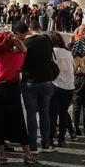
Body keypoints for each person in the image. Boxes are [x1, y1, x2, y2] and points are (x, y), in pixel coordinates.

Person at [0, 25, 37, 165]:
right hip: (12, 89)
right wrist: (13, 39)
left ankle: (1, 155)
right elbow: (24, 49)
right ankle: (28, 154)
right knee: (19, 120)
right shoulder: (17, 56)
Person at [20, 20, 56, 153]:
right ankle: (46, 144)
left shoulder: (24, 44)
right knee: (45, 112)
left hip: (29, 81)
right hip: (46, 81)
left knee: (31, 114)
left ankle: (33, 146)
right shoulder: (46, 40)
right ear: (39, 28)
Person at [49, 32, 75, 146]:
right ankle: (62, 138)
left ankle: (50, 138)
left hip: (56, 84)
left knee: (52, 113)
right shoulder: (68, 53)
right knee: (63, 113)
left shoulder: (52, 52)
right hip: (69, 86)